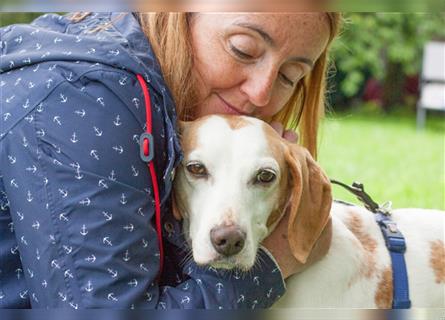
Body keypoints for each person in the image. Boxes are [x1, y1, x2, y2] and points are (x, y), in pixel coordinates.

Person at [0, 12, 341, 308]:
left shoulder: (123, 74)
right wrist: (274, 262)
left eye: (289, 77)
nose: (261, 93)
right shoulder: (86, 102)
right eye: (243, 49)